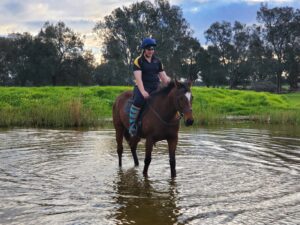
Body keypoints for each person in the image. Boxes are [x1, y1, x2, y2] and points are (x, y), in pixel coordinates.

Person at [129, 37, 171, 136]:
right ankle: (132, 125)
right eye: (149, 49)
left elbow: (164, 78)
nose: (151, 51)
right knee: (138, 101)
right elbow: (138, 79)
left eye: (152, 49)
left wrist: (173, 83)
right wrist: (143, 91)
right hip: (142, 86)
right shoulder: (138, 61)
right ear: (144, 49)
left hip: (156, 86)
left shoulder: (158, 61)